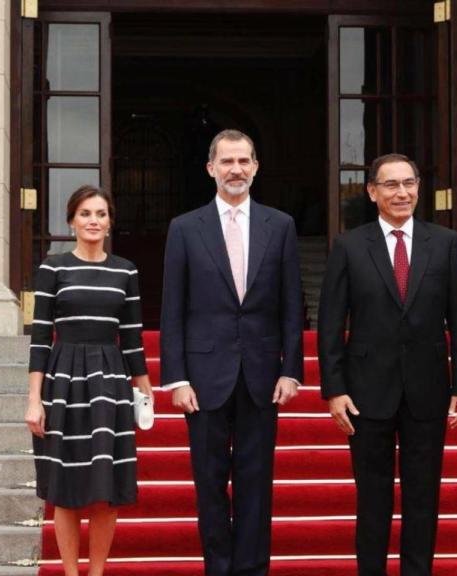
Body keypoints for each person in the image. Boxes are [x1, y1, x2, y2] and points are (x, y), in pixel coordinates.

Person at [318, 153, 457, 576]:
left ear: (418, 188)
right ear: (372, 192)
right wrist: (334, 389)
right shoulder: (349, 246)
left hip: (428, 389)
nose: (402, 192)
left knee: (424, 497)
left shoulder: (443, 243)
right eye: (391, 185)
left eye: (409, 183)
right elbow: (331, 324)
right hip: (366, 392)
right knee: (372, 498)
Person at [160, 129, 304, 576]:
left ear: (256, 167)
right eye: (227, 162)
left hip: (263, 375)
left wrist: (292, 370)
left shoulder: (280, 226)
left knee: (256, 484)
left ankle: (252, 569)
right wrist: (177, 378)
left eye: (243, 161)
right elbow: (173, 308)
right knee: (209, 484)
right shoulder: (184, 228)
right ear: (211, 169)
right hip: (203, 380)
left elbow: (292, 305)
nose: (235, 170)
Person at [24, 185, 154, 576]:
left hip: (110, 384)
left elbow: (131, 336)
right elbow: (41, 336)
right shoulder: (53, 267)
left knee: (105, 489)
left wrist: (143, 385)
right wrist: (34, 398)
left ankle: (96, 572)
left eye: (100, 214)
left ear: (110, 222)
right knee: (64, 489)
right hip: (62, 383)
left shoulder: (125, 270)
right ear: (71, 221)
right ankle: (69, 572)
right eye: (85, 214)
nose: (93, 221)